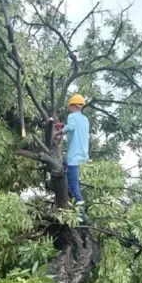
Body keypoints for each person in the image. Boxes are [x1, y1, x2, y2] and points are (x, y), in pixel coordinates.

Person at [55, 94, 90, 223]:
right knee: (64, 171)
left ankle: (82, 217)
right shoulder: (84, 119)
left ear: (74, 106)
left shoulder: (72, 117)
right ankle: (73, 208)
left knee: (74, 187)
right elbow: (73, 127)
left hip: (73, 157)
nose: (68, 107)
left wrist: (56, 133)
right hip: (82, 155)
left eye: (69, 105)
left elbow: (70, 127)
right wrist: (62, 126)